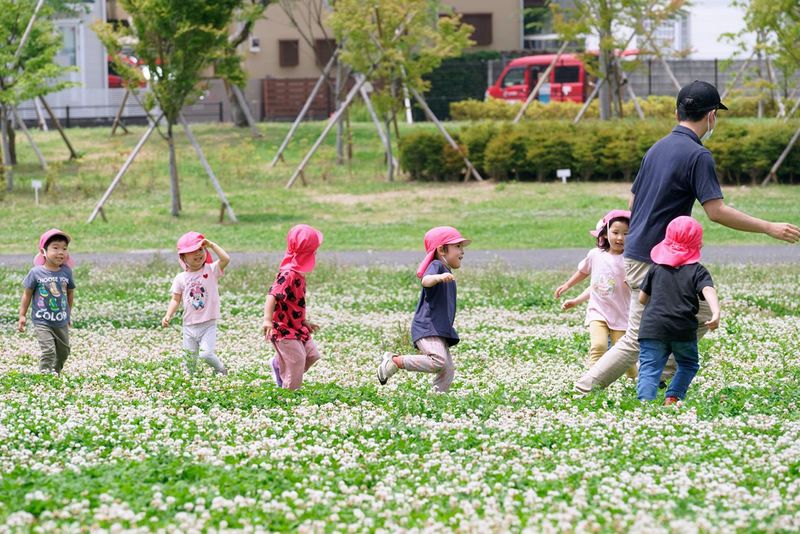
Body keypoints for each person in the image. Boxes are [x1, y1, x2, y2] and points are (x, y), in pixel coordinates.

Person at [574, 80, 800, 394]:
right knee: (642, 334)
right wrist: (768, 227)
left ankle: (659, 375)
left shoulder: (657, 148)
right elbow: (717, 211)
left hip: (640, 250)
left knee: (698, 311)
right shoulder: (698, 156)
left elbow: (632, 203)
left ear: (679, 110)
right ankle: (589, 386)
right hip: (654, 258)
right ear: (711, 116)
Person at [377, 226, 470, 392]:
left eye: (462, 246)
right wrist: (438, 277)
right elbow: (425, 280)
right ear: (441, 249)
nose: (462, 251)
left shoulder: (446, 270)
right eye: (457, 246)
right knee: (438, 361)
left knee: (448, 370)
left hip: (439, 328)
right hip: (428, 327)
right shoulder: (436, 266)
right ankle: (395, 361)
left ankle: (437, 398)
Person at [637, 216, 720, 404]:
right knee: (688, 364)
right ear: (698, 243)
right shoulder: (698, 270)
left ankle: (644, 405)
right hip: (682, 328)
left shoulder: (655, 268)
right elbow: (707, 289)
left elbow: (642, 299)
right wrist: (715, 311)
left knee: (649, 368)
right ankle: (673, 396)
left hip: (652, 327)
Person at [556, 210, 636, 378]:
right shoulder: (595, 255)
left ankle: (636, 381)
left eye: (626, 234)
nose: (620, 238)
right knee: (598, 346)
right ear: (605, 233)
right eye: (615, 232)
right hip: (598, 312)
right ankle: (591, 382)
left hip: (622, 314)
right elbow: (587, 276)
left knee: (624, 354)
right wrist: (569, 287)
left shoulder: (631, 260)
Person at [262, 224, 324, 390]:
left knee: (311, 355)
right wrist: (267, 320)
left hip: (296, 326)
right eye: (313, 250)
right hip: (283, 328)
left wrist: (304, 321)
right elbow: (272, 295)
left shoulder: (299, 274)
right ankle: (289, 393)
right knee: (297, 361)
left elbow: (292, 303)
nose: (315, 253)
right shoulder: (288, 273)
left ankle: (278, 365)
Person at [162, 232, 230, 375]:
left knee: (206, 354)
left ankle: (221, 370)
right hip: (189, 325)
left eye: (200, 249)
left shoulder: (211, 270)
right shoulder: (181, 278)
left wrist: (211, 245)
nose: (197, 254)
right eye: (192, 252)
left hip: (208, 324)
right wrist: (168, 315)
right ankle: (189, 383)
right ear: (183, 257)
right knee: (189, 361)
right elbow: (175, 299)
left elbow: (225, 259)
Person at [17, 229, 76, 374]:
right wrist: (22, 315)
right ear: (43, 251)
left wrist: (68, 315)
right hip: (42, 320)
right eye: (55, 248)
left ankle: (55, 373)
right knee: (49, 350)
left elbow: (69, 293)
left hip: (60, 321)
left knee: (64, 352)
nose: (60, 252)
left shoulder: (66, 272)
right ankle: (45, 375)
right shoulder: (36, 272)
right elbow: (27, 294)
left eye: (64, 248)